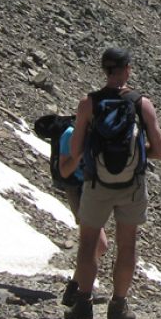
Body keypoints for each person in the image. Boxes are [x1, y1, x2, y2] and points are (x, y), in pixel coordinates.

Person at [66, 46, 161, 319]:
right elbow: (159, 151)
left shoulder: (89, 103)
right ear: (127, 69)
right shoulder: (141, 103)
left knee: (87, 244)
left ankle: (83, 304)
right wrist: (133, 150)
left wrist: (100, 154)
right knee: (127, 244)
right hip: (131, 185)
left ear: (104, 70)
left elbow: (76, 151)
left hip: (96, 183)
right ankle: (118, 305)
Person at [57, 118, 107, 307]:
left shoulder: (99, 135)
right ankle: (79, 290)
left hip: (94, 190)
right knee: (99, 244)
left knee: (96, 245)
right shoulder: (70, 135)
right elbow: (64, 171)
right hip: (77, 190)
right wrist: (79, 153)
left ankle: (76, 290)